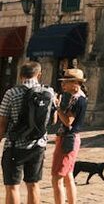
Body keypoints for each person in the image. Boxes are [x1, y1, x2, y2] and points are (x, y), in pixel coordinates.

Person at [0, 61, 56, 204]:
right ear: (39, 75)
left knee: (12, 187)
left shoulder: (11, 93)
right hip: (38, 146)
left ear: (20, 75)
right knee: (33, 185)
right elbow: (53, 120)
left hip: (15, 146)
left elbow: (2, 123)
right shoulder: (49, 92)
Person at [51, 69, 87, 204]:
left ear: (75, 83)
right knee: (68, 175)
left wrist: (58, 107)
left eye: (66, 82)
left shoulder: (76, 99)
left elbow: (68, 122)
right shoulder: (79, 97)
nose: (63, 85)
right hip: (73, 138)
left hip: (67, 139)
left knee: (57, 178)